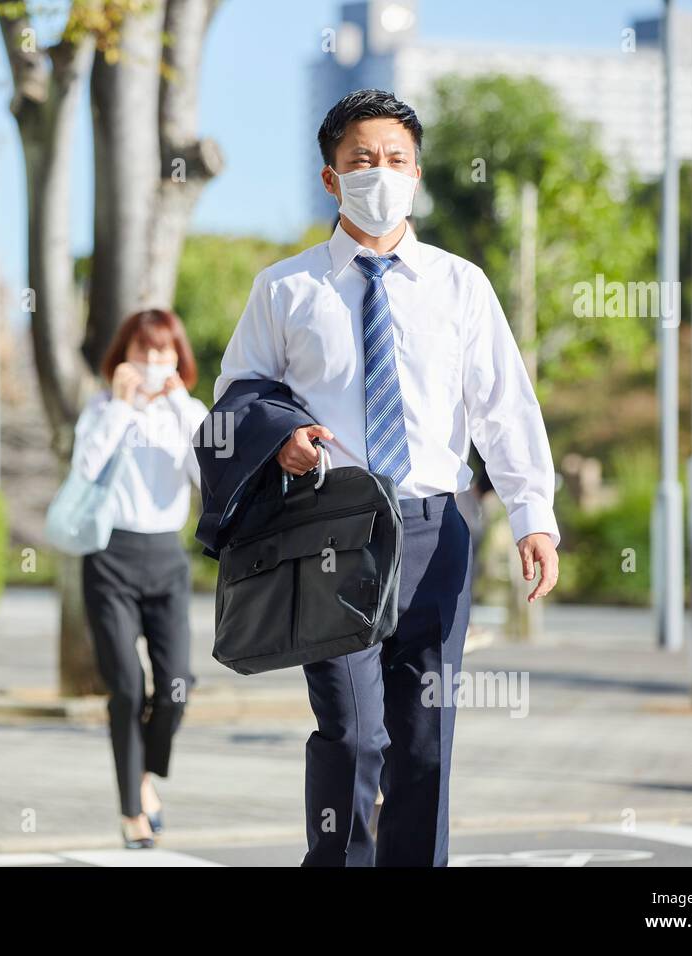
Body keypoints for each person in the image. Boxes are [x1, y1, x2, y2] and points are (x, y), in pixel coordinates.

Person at [214, 90, 561, 867]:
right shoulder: (286, 288)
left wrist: (533, 514)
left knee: (424, 745)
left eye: (396, 160)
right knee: (352, 735)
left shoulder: (459, 284)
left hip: (437, 531)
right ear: (332, 178)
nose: (381, 173)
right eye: (362, 160)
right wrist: (281, 441)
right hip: (329, 533)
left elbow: (503, 404)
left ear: (418, 173)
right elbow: (236, 396)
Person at [72, 309, 207, 849]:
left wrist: (175, 403)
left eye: (164, 352)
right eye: (143, 351)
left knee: (176, 685)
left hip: (166, 559)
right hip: (110, 557)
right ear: (123, 356)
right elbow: (84, 468)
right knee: (127, 686)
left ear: (178, 358)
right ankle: (133, 808)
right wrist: (123, 408)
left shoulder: (189, 411)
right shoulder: (103, 408)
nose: (153, 362)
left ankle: (145, 773)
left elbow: (210, 475)